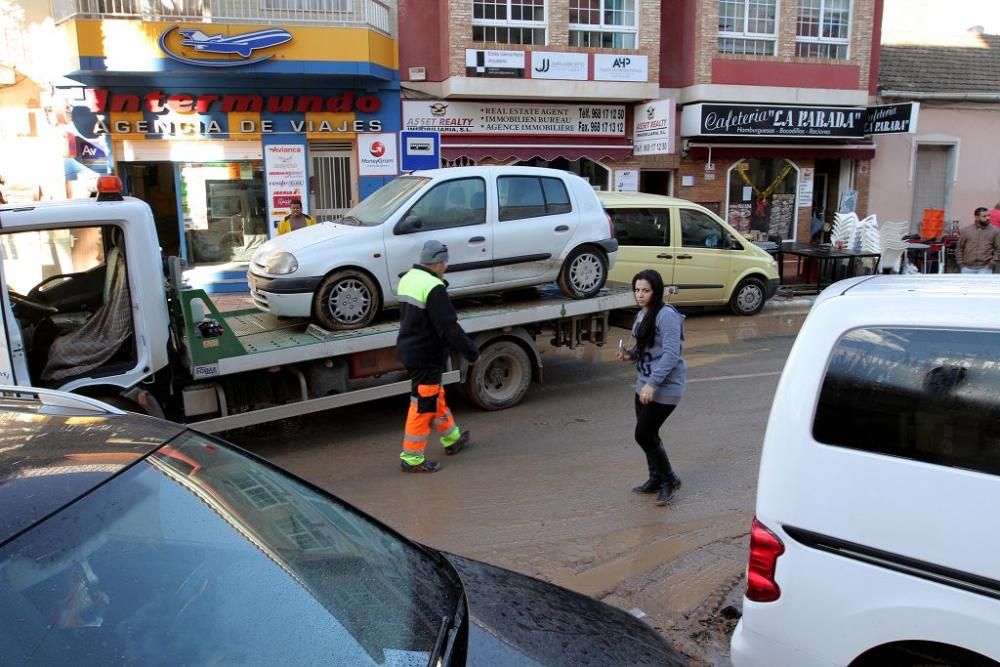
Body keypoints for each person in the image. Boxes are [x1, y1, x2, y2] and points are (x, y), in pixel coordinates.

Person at [395, 240, 480, 473]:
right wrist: (471, 352)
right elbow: (449, 327)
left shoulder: (408, 278)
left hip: (410, 348)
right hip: (426, 354)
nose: (446, 266)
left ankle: (452, 438)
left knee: (433, 395)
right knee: (423, 405)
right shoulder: (434, 287)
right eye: (445, 262)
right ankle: (412, 459)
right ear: (439, 263)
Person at [616, 269, 686, 506]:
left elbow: (670, 354)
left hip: (664, 388)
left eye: (646, 290)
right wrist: (630, 354)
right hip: (644, 385)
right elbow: (645, 347)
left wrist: (652, 384)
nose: (640, 295)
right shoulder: (643, 314)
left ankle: (669, 481)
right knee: (649, 436)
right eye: (637, 290)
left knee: (643, 434)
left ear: (656, 291)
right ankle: (655, 478)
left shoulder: (667, 316)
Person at [956, 207, 1000, 274]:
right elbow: (959, 248)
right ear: (976, 217)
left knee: (984, 285)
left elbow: (998, 250)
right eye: (984, 216)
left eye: (989, 216)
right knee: (966, 285)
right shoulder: (965, 231)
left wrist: (991, 264)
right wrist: (961, 265)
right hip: (967, 268)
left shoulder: (995, 231)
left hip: (985, 268)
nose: (988, 218)